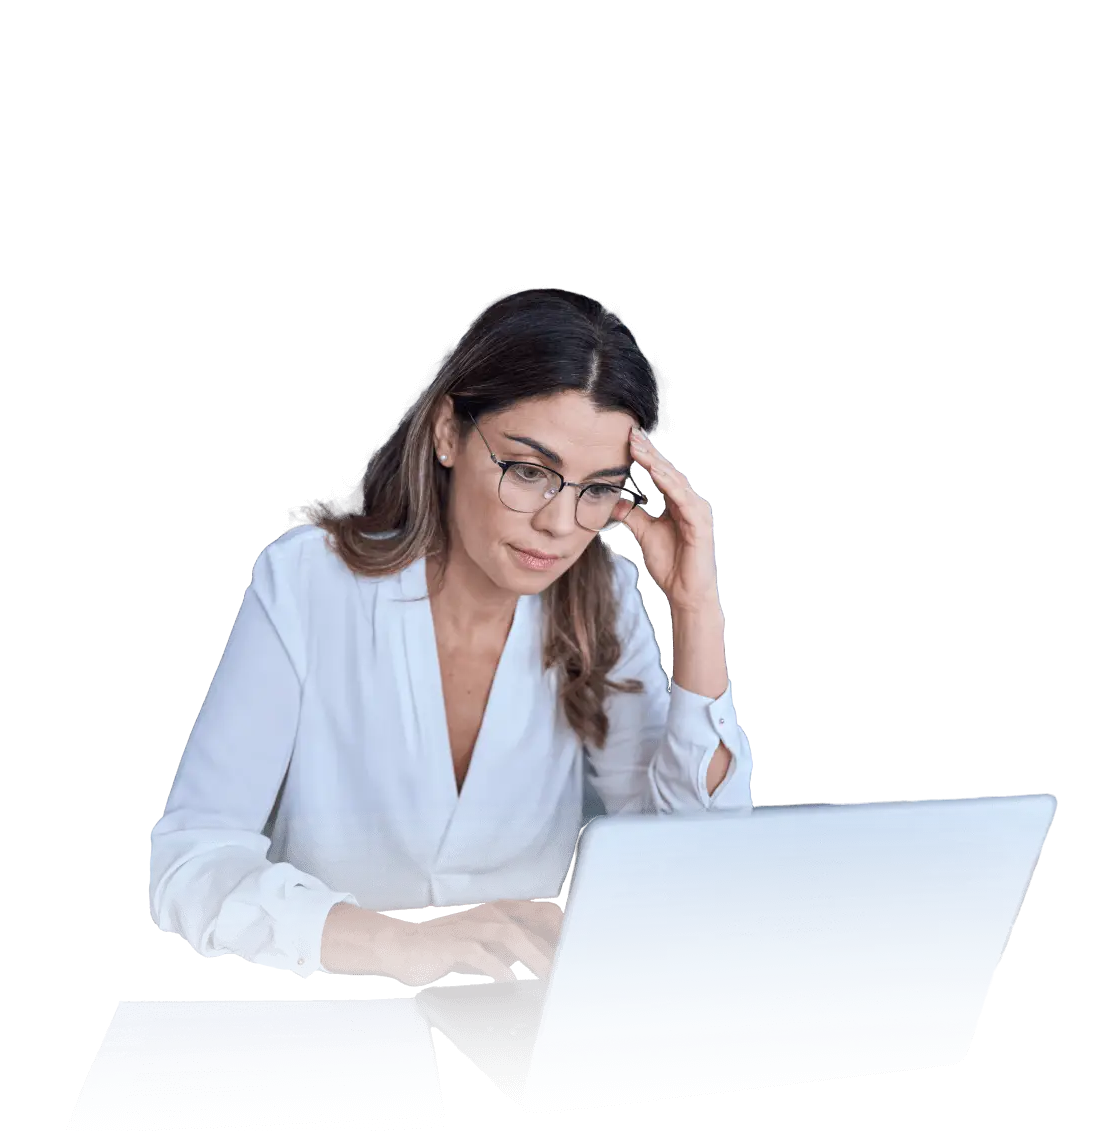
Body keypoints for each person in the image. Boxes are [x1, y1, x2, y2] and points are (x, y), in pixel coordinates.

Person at [148, 288, 754, 986]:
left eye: (596, 489)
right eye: (530, 472)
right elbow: (190, 861)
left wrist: (697, 605)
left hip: (514, 1010)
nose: (561, 525)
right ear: (446, 433)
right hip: (331, 1007)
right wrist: (397, 944)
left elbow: (691, 868)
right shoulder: (309, 582)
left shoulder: (603, 598)